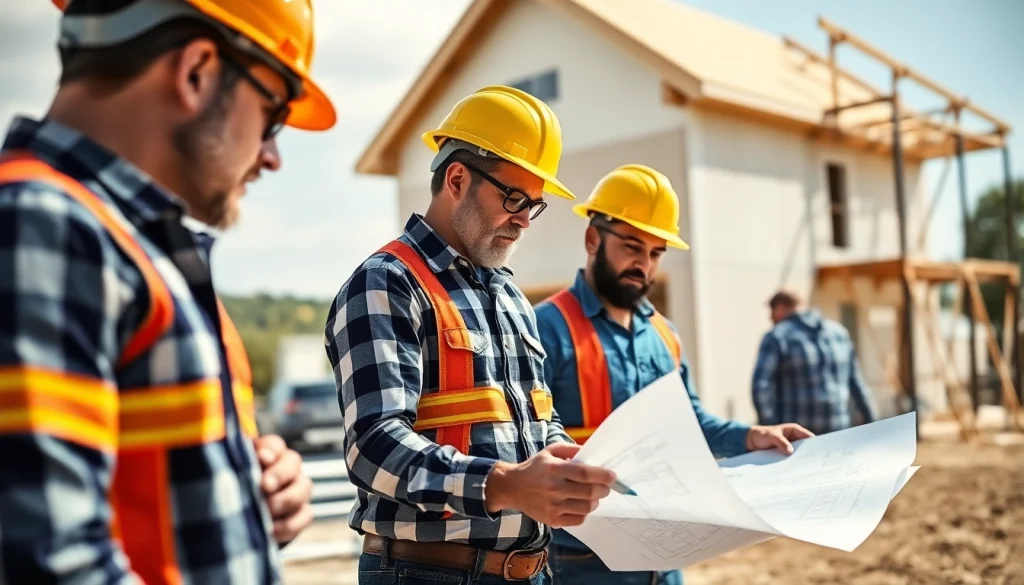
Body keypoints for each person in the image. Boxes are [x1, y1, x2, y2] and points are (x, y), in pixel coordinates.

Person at [0, 1, 337, 583]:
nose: (272, 157)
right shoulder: (43, 223)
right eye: (272, 115)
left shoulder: (130, 250)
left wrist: (246, 505)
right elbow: (53, 565)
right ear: (198, 71)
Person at [324, 85, 618, 585]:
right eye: (514, 198)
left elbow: (538, 420)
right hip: (424, 574)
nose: (525, 220)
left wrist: (568, 461)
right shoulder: (387, 282)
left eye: (535, 205)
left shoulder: (510, 298)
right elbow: (374, 446)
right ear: (457, 178)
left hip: (531, 573)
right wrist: (503, 486)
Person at [533, 164, 814, 585]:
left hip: (664, 556)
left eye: (655, 253)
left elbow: (691, 423)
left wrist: (751, 436)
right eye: (631, 246)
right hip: (582, 563)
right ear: (593, 239)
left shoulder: (666, 336)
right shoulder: (545, 327)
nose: (643, 264)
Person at [751, 290, 878, 435]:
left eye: (771, 313)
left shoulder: (777, 337)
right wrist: (872, 424)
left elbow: (761, 387)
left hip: (796, 438)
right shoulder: (839, 333)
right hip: (839, 432)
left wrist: (771, 430)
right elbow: (858, 385)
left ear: (780, 308)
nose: (771, 319)